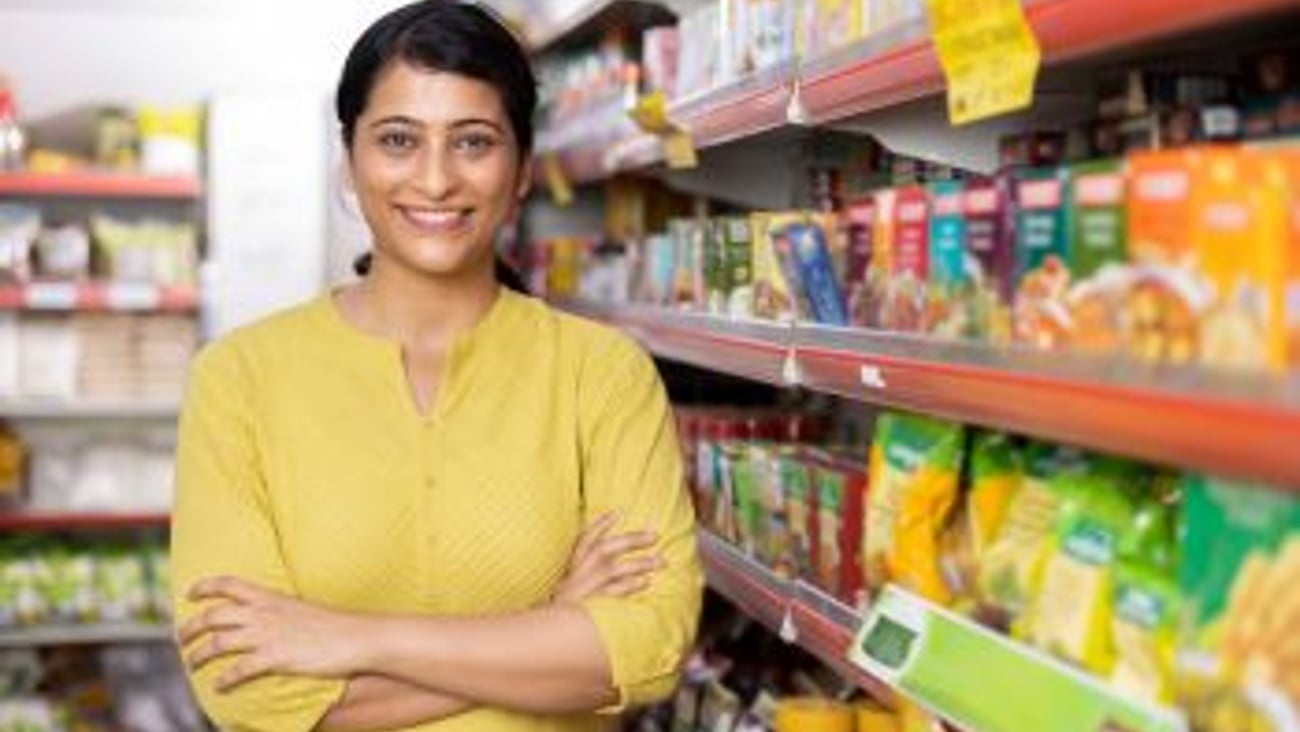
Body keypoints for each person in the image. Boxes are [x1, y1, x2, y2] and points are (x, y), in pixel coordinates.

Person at [169, 2, 703, 730]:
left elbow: (648, 650)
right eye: (397, 139)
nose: (435, 178)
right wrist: (554, 626)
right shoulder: (238, 379)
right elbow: (246, 691)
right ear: (350, 161)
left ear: (520, 170)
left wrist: (353, 638)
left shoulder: (603, 375)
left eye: (474, 142)